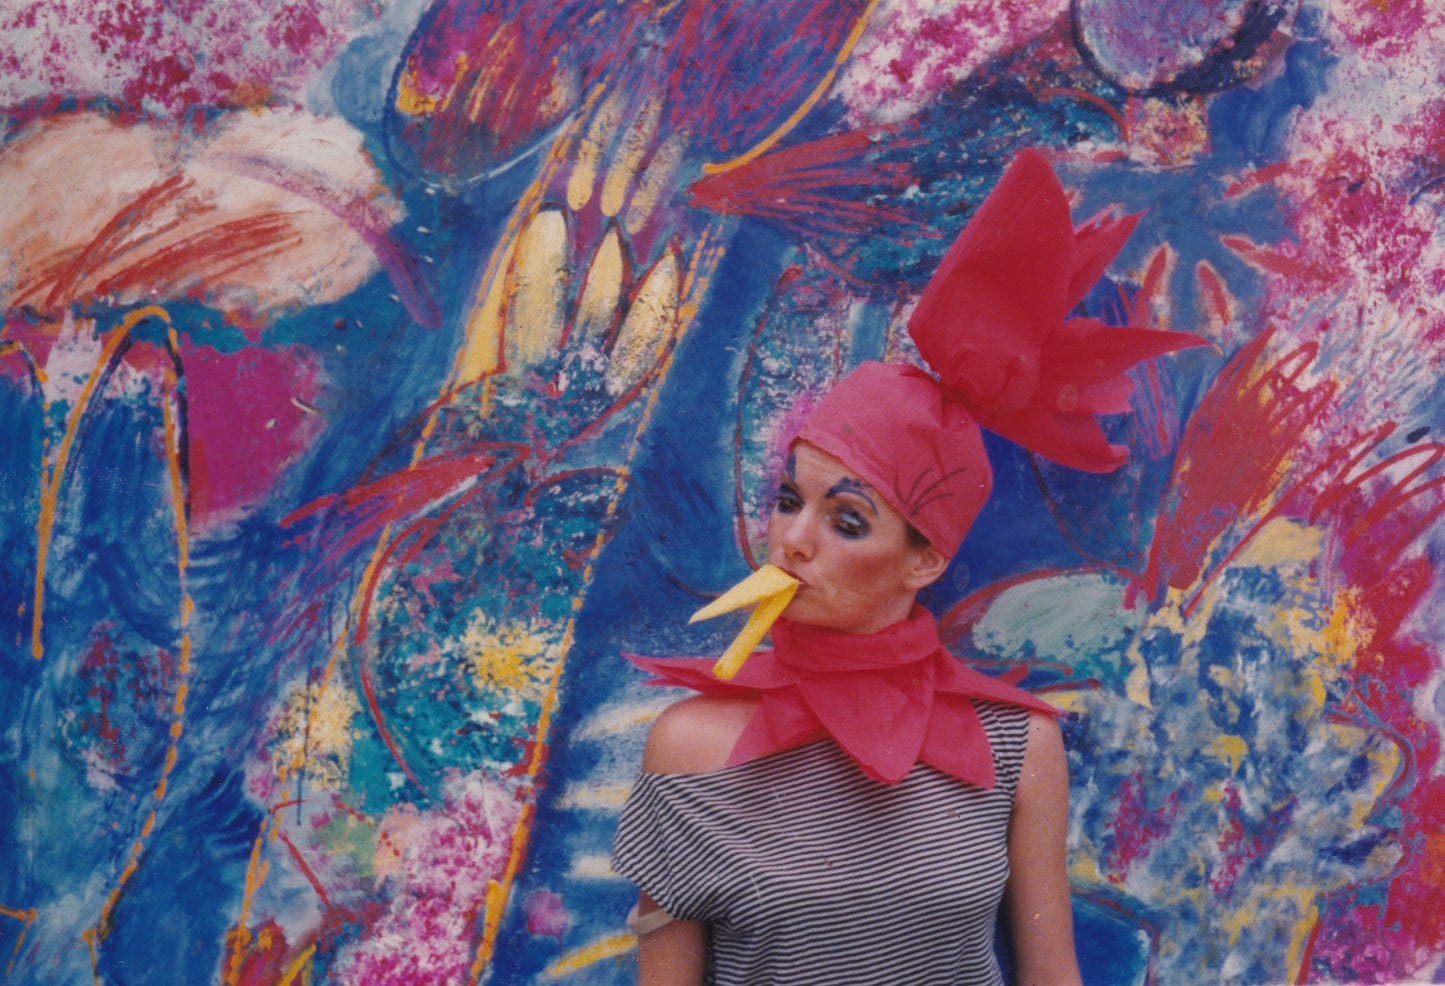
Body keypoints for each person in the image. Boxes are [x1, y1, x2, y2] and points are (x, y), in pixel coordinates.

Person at [610, 149, 1203, 986]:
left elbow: (1049, 977)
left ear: (924, 558)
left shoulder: (1016, 747)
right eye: (790, 500)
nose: (793, 541)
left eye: (846, 519)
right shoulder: (688, 747)